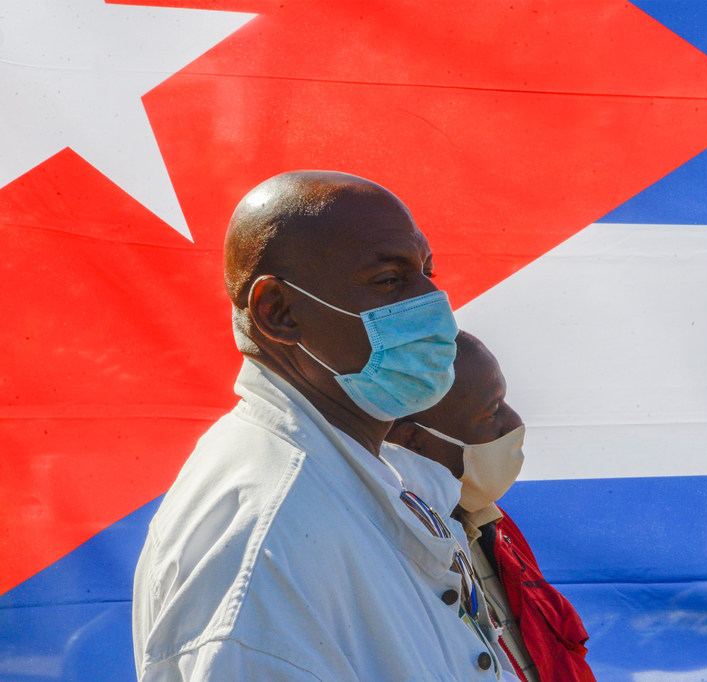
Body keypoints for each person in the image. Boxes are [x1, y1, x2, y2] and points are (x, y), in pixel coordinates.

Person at [132, 171, 516, 680]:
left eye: (427, 271)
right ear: (279, 312)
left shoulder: (360, 472)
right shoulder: (266, 532)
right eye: (389, 280)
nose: (433, 303)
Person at [387, 332, 595, 682]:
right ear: (413, 441)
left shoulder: (494, 524)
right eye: (492, 412)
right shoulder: (389, 552)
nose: (514, 423)